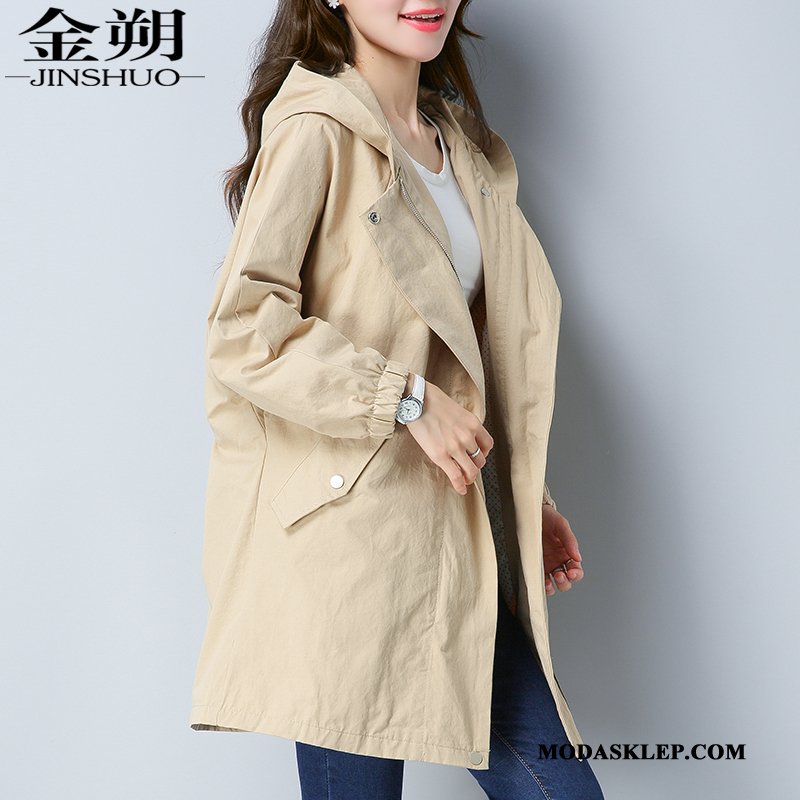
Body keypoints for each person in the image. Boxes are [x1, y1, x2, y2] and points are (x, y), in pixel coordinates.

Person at [189, 1, 606, 798]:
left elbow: (471, 358)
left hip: (446, 542)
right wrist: (403, 399)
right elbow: (243, 329)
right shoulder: (316, 129)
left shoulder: (463, 150)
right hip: (344, 556)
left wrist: (525, 500)